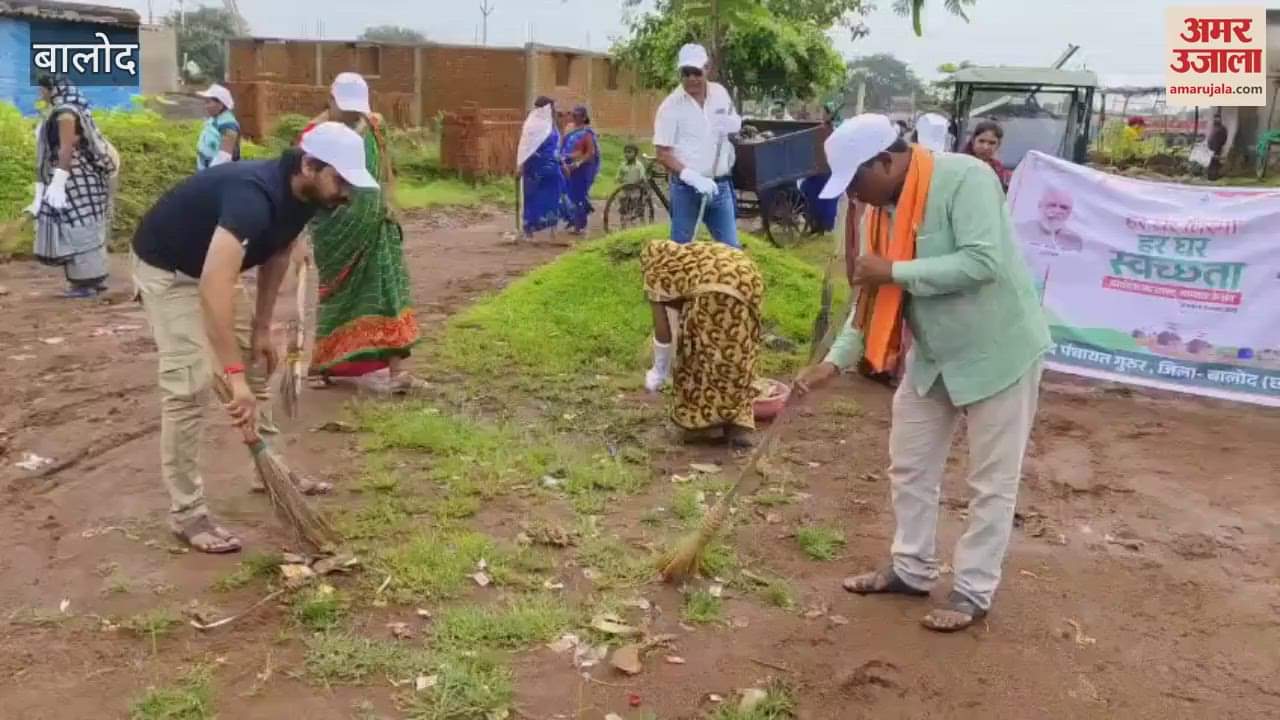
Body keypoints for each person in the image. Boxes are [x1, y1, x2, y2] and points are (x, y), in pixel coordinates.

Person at [796, 114, 1050, 632]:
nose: (855, 197)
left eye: (857, 182)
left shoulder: (966, 178)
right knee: (910, 465)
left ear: (885, 162)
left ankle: (973, 590)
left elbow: (982, 262)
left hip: (998, 351)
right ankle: (911, 569)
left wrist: (894, 270)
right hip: (933, 355)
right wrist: (834, 362)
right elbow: (871, 298)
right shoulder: (879, 213)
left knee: (991, 482)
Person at [130, 122, 376, 553]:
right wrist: (232, 374)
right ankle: (188, 513)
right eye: (340, 180)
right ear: (310, 165)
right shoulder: (252, 197)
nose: (346, 193)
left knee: (259, 366)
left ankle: (269, 469)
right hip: (170, 272)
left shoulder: (306, 196)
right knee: (189, 385)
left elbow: (277, 252)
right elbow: (213, 286)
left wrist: (262, 327)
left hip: (210, 267)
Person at [297, 73, 425, 392]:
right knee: (337, 296)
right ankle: (322, 365)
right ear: (330, 100)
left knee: (388, 291)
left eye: (357, 108)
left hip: (377, 224)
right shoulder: (313, 135)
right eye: (346, 107)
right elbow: (307, 186)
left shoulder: (373, 127)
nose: (353, 114)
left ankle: (397, 372)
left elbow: (384, 171)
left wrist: (387, 204)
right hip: (335, 227)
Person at [642, 240, 763, 448]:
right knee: (738, 350)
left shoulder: (656, 271)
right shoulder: (692, 254)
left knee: (698, 354)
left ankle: (699, 422)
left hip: (714, 286)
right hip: (749, 278)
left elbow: (663, 331)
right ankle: (737, 423)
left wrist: (658, 370)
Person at [30, 74, 117, 299]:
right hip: (78, 177)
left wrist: (59, 181)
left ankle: (86, 283)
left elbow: (66, 148)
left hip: (77, 178)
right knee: (85, 225)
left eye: (42, 88)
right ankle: (94, 279)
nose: (40, 93)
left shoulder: (66, 113)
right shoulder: (66, 110)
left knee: (78, 226)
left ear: (54, 89)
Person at [654, 43, 743, 248]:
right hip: (686, 190)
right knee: (682, 251)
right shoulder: (670, 106)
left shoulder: (720, 93)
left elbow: (733, 120)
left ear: (707, 68)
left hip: (720, 187)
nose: (691, 78)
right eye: (686, 73)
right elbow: (662, 153)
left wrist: (733, 124)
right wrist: (692, 177)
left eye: (696, 72)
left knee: (732, 250)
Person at [520, 96, 566, 240]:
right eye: (552, 108)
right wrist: (520, 165)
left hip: (552, 167)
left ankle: (553, 230)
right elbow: (524, 147)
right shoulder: (531, 125)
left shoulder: (552, 125)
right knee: (532, 197)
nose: (554, 111)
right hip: (534, 168)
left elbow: (556, 147)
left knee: (554, 196)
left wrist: (563, 163)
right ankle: (529, 230)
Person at [799, 103, 842, 234]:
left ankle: (823, 226)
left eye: (824, 112)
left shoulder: (833, 131)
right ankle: (815, 224)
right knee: (808, 192)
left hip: (827, 171)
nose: (822, 115)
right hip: (816, 170)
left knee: (825, 199)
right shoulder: (819, 129)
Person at [561, 105, 601, 235]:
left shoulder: (587, 133)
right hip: (567, 165)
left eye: (577, 115)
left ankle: (579, 225)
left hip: (582, 168)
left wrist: (577, 164)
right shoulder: (569, 129)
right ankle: (573, 219)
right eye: (572, 115)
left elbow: (590, 153)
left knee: (578, 196)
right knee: (566, 193)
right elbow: (564, 146)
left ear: (584, 117)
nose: (574, 118)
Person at [195, 84, 241, 171]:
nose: (205, 106)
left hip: (218, 173)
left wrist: (209, 174)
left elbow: (224, 156)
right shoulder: (214, 118)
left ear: (220, 104)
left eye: (208, 102)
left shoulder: (229, 126)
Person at [962, 120, 1012, 191]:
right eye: (981, 141)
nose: (985, 147)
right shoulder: (961, 164)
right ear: (973, 141)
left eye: (992, 143)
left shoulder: (998, 169)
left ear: (998, 145)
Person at [616, 143, 650, 222]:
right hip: (625, 187)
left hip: (635, 187)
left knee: (634, 197)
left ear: (635, 154)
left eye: (629, 152)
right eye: (625, 152)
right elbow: (619, 176)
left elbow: (642, 176)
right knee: (621, 197)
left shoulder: (639, 165)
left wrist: (639, 181)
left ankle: (634, 212)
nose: (627, 154)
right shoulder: (623, 165)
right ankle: (624, 211)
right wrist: (618, 179)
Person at [1207, 110, 1228, 181]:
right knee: (1211, 162)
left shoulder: (1222, 128)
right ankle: (1210, 176)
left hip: (1217, 148)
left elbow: (1224, 138)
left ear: (1220, 119)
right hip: (1211, 148)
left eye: (1218, 118)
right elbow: (1210, 137)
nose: (1216, 119)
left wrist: (1219, 145)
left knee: (1215, 162)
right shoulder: (1213, 127)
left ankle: (1214, 176)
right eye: (1215, 118)